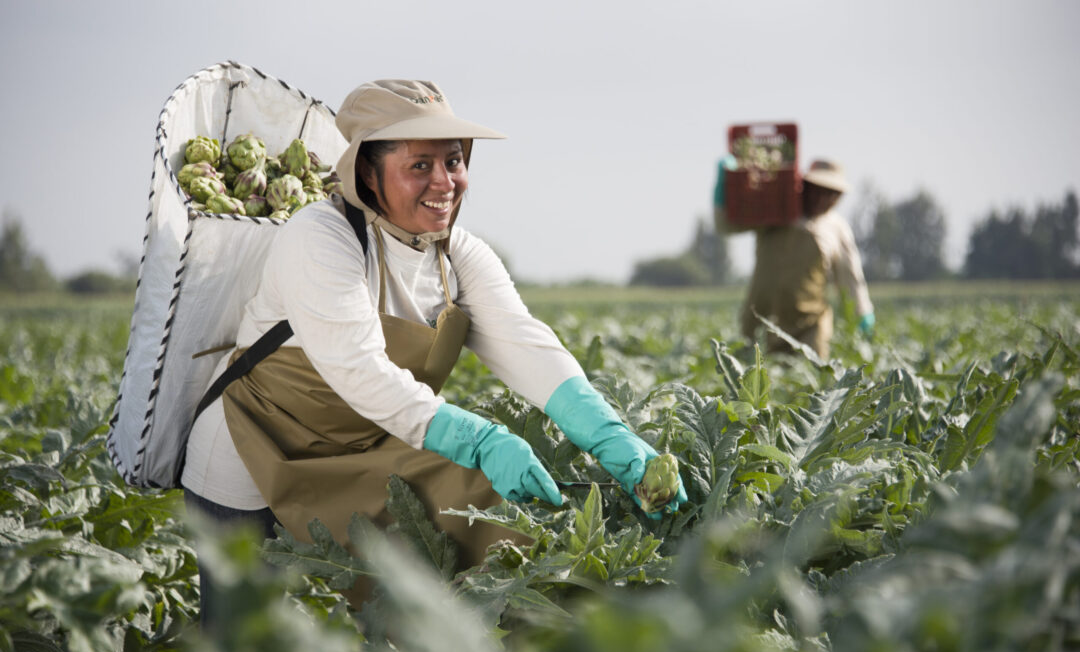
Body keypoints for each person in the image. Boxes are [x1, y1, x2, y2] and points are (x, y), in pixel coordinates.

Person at [180, 79, 686, 621]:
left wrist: (611, 436)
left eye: (454, 161)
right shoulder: (321, 238)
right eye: (419, 165)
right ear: (367, 174)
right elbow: (360, 371)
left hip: (356, 453)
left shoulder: (459, 254)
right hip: (248, 452)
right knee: (236, 641)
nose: (444, 182)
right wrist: (483, 439)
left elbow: (526, 344)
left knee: (390, 610)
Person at [718, 158, 874, 359]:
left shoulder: (836, 228)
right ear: (803, 187)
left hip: (810, 324)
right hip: (762, 317)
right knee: (751, 377)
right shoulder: (777, 213)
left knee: (814, 377)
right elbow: (728, 226)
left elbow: (849, 276)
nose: (822, 199)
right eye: (816, 190)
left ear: (838, 197)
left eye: (830, 194)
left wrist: (862, 313)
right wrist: (723, 194)